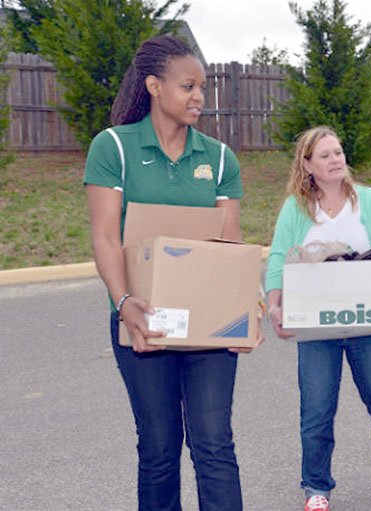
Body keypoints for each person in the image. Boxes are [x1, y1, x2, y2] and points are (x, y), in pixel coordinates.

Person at [84, 35, 261, 511]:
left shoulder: (220, 158)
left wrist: (247, 312)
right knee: (159, 448)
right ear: (154, 86)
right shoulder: (114, 149)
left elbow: (228, 245)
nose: (199, 96)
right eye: (188, 86)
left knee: (214, 444)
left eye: (202, 87)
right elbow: (104, 237)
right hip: (142, 320)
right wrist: (125, 305)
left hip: (209, 327)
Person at [265, 126, 371, 511]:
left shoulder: (367, 200)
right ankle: (316, 488)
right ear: (307, 165)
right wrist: (274, 303)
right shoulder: (296, 208)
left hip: (367, 320)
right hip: (317, 326)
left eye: (338, 152)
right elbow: (278, 256)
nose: (335, 160)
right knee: (317, 409)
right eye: (325, 155)